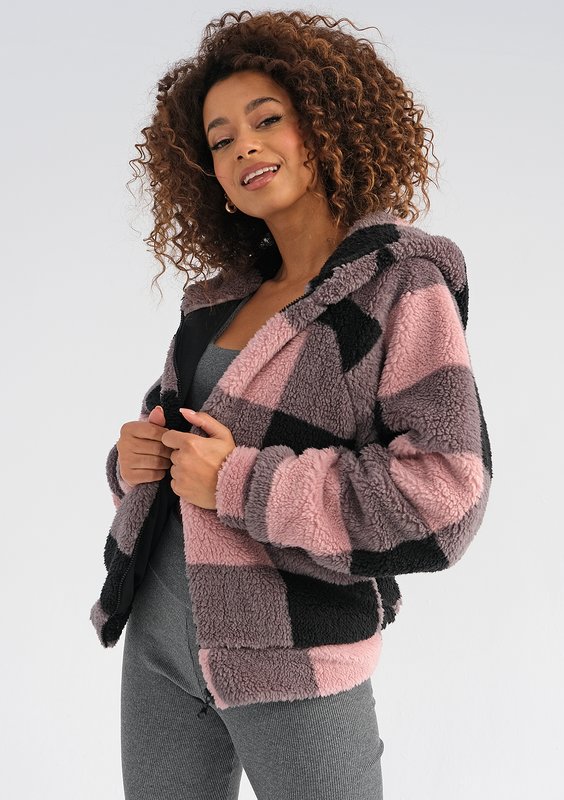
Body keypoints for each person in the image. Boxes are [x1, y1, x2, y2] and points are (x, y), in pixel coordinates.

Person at [90, 10, 493, 800]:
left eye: (266, 119)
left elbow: (447, 490)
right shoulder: (216, 305)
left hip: (294, 654)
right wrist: (132, 463)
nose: (243, 146)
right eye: (220, 139)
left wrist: (239, 482)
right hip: (160, 650)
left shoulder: (398, 285)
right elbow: (177, 457)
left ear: (323, 125)